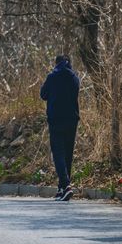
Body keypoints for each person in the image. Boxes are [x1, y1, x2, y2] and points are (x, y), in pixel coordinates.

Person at [40, 54, 80, 201]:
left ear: (56, 63)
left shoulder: (52, 77)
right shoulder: (74, 78)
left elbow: (43, 95)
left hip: (56, 120)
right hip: (72, 120)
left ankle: (66, 186)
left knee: (58, 154)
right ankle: (61, 188)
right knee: (68, 154)